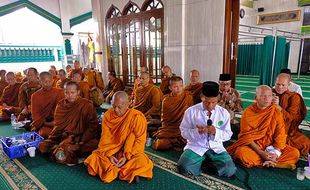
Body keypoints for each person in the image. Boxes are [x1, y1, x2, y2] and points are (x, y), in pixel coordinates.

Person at [84, 91, 153, 183]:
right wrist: (109, 155)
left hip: (129, 153)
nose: (116, 110)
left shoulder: (137, 117)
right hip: (111, 150)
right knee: (93, 158)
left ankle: (115, 170)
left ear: (128, 104)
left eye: (119, 107)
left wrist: (126, 157)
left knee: (142, 162)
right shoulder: (108, 115)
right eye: (114, 106)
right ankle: (126, 172)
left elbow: (140, 141)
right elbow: (105, 138)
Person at [227, 85, 300, 169]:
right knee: (241, 153)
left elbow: (280, 134)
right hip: (255, 147)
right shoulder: (248, 113)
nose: (267, 99)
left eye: (269, 96)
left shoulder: (275, 111)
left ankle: (270, 161)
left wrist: (276, 153)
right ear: (256, 98)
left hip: (271, 146)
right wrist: (261, 153)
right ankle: (274, 163)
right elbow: (246, 137)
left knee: (294, 153)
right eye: (263, 96)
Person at [177, 81, 236, 177]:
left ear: (218, 99)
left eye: (213, 102)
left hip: (216, 148)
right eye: (207, 102)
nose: (210, 105)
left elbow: (228, 134)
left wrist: (215, 131)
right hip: (196, 146)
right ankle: (207, 163)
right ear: (202, 97)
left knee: (229, 171)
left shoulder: (223, 113)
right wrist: (197, 132)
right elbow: (183, 132)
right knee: (183, 167)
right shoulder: (191, 111)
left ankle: (204, 163)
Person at [38, 81, 98, 166]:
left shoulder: (86, 105)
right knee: (42, 146)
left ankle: (64, 152)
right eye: (67, 92)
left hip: (80, 138)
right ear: (64, 92)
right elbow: (58, 126)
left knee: (92, 145)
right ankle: (65, 152)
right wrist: (53, 138)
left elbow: (92, 126)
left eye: (72, 93)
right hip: (63, 136)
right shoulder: (61, 105)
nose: (69, 95)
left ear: (78, 92)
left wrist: (81, 141)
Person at [273, 73, 310, 156]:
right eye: (278, 84)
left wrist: (279, 108)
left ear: (288, 84)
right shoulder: (270, 93)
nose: (280, 87)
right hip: (269, 128)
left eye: (283, 85)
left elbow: (292, 119)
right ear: (275, 82)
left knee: (305, 143)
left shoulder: (294, 97)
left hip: (287, 130)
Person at [153, 76, 193, 151]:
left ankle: (175, 142)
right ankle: (175, 142)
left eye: (181, 86)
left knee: (192, 141)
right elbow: (165, 119)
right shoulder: (166, 100)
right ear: (170, 88)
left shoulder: (188, 96)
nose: (179, 89)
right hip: (170, 128)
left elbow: (192, 114)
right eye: (175, 87)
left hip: (184, 127)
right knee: (160, 145)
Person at [31, 72, 64, 138]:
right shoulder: (35, 96)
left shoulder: (59, 92)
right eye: (45, 82)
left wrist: (57, 122)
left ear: (53, 81)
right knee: (44, 133)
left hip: (59, 121)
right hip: (45, 123)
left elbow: (64, 109)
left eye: (50, 81)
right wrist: (47, 123)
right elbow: (35, 115)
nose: (48, 84)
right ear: (40, 82)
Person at [218, 74, 242, 139]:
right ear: (219, 83)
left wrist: (229, 101)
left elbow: (239, 109)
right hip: (217, 121)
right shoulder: (215, 92)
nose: (225, 86)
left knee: (241, 133)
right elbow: (212, 108)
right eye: (222, 84)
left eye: (227, 84)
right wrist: (222, 100)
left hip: (231, 121)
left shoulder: (235, 93)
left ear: (230, 83)